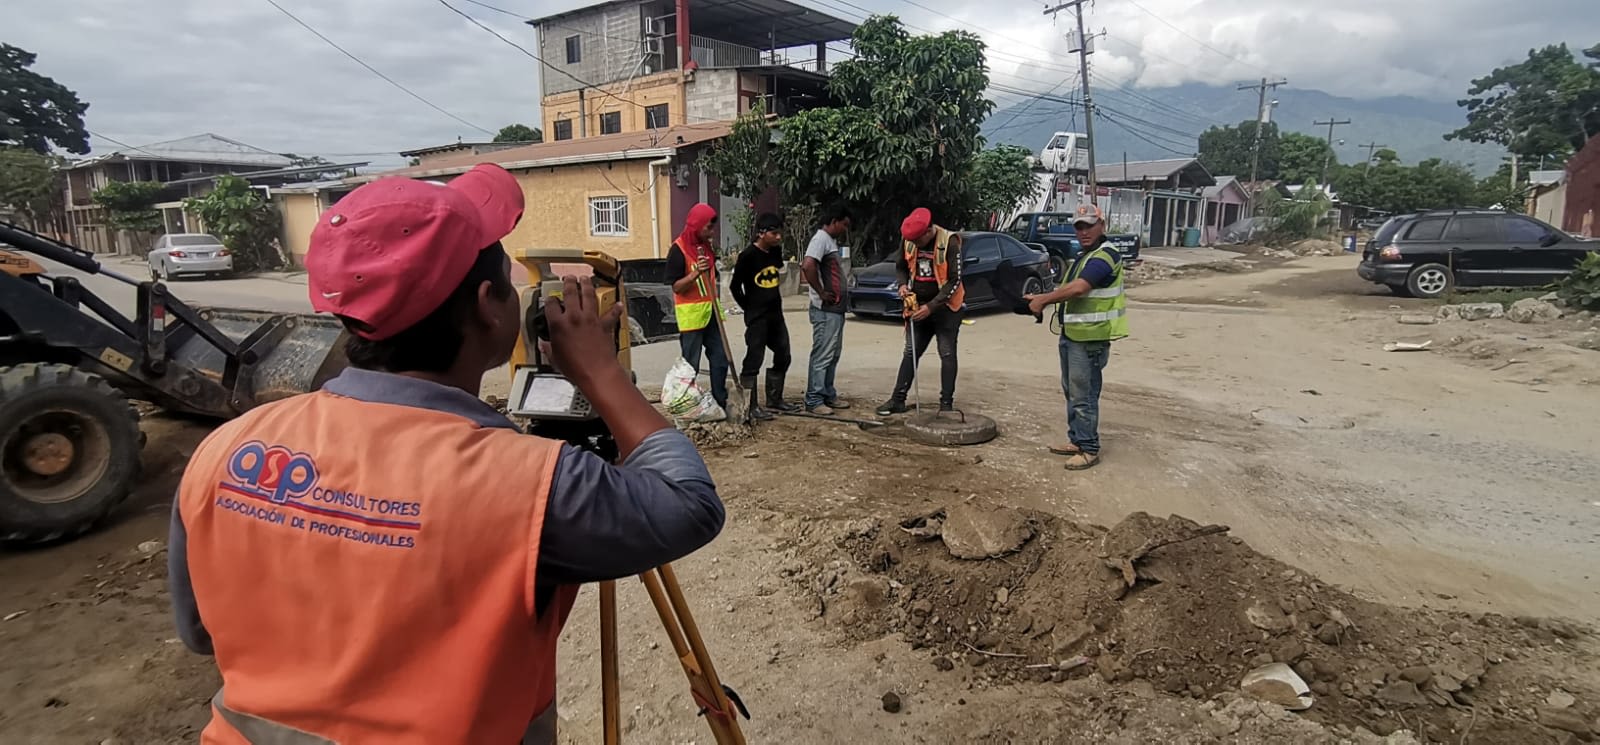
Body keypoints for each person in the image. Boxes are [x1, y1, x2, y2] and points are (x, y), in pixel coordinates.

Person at [167, 164, 725, 743]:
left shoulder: (226, 449)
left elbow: (201, 632)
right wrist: (600, 372)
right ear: (489, 305)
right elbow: (689, 504)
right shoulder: (525, 484)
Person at [1025, 203, 1127, 470]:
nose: (1084, 232)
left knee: (1084, 395)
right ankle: (1078, 440)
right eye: (1079, 227)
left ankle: (1089, 448)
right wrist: (1041, 298)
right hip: (1073, 334)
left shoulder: (1105, 255)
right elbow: (1070, 289)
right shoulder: (1085, 255)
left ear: (1102, 226)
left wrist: (1043, 300)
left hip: (1090, 338)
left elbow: (1080, 288)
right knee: (1072, 390)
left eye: (1089, 226)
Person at [876, 207, 965, 415]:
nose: (914, 244)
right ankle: (897, 399)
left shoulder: (949, 242)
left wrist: (931, 307)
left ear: (928, 231)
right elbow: (900, 266)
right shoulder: (908, 240)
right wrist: (902, 285)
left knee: (947, 353)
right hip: (917, 305)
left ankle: (946, 405)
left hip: (945, 308)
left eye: (918, 240)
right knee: (911, 351)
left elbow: (955, 280)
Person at [730, 212, 796, 421]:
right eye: (774, 233)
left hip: (776, 314)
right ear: (761, 233)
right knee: (754, 358)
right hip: (757, 317)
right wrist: (749, 308)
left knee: (784, 353)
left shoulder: (775, 251)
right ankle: (750, 406)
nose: (778, 237)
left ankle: (775, 398)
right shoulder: (748, 256)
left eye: (780, 233)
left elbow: (775, 274)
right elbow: (734, 286)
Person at [667, 202, 729, 409]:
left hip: (711, 312)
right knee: (691, 365)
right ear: (697, 224)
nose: (711, 232)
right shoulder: (678, 250)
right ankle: (688, 404)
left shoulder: (706, 247)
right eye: (708, 227)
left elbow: (712, 277)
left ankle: (720, 401)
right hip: (692, 316)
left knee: (720, 358)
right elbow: (676, 287)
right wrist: (695, 274)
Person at [801, 204, 853, 415]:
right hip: (825, 310)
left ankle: (827, 394)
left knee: (832, 354)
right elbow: (808, 265)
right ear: (834, 221)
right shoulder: (820, 239)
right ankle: (814, 399)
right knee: (823, 354)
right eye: (844, 224)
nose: (845, 229)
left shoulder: (829, 241)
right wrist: (821, 292)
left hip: (835, 310)